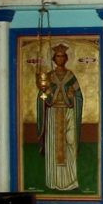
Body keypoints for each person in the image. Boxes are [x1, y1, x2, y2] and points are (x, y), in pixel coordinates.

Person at [37, 44, 83, 190]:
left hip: (68, 114)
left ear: (67, 58)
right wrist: (46, 94)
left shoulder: (71, 77)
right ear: (54, 58)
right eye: (57, 56)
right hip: (52, 115)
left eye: (63, 56)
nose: (60, 58)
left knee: (70, 143)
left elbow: (79, 97)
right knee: (53, 147)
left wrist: (72, 96)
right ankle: (54, 181)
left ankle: (70, 181)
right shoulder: (49, 77)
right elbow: (42, 97)